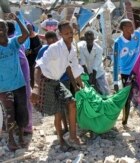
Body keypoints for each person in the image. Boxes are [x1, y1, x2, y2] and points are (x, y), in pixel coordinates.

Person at [31, 20, 84, 151]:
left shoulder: (72, 48)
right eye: (66, 33)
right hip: (46, 80)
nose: (70, 35)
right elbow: (38, 66)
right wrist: (36, 87)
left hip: (57, 80)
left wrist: (80, 85)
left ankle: (72, 136)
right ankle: (61, 140)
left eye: (71, 32)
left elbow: (71, 68)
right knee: (58, 112)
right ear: (60, 34)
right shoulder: (54, 48)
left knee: (72, 103)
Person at [0, 13, 29, 151]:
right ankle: (11, 139)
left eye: (2, 26)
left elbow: (26, 33)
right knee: (9, 113)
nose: (0, 29)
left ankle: (21, 136)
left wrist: (16, 19)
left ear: (7, 29)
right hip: (4, 87)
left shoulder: (13, 43)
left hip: (19, 84)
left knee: (21, 112)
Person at [113, 19, 140, 125]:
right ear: (123, 28)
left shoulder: (136, 36)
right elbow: (115, 63)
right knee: (127, 98)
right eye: (130, 26)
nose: (133, 28)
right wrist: (115, 82)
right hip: (126, 74)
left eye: (132, 25)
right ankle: (124, 121)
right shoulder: (118, 43)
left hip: (139, 72)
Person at [36, 31, 69, 133]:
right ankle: (63, 129)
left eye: (53, 41)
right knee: (58, 108)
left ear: (57, 39)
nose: (51, 45)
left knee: (67, 104)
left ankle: (67, 127)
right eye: (49, 43)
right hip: (52, 82)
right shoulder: (43, 50)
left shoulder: (63, 48)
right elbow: (38, 66)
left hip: (64, 79)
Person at [6, 20, 33, 135]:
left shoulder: (11, 42)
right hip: (18, 76)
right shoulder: (12, 40)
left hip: (20, 76)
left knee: (23, 101)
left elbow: (21, 59)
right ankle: (23, 126)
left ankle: (26, 127)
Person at [78, 30, 110, 95]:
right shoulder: (82, 48)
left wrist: (93, 78)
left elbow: (96, 65)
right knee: (94, 94)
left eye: (91, 38)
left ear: (93, 38)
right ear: (85, 39)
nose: (89, 40)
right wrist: (88, 76)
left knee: (104, 92)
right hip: (88, 73)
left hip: (98, 73)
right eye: (88, 39)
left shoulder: (99, 49)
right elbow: (83, 63)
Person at [25, 22, 42, 88]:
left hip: (37, 59)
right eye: (28, 28)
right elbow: (25, 52)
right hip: (29, 61)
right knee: (31, 76)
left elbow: (40, 45)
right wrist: (33, 50)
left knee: (37, 76)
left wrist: (36, 50)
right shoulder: (24, 38)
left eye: (30, 28)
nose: (30, 29)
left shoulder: (36, 36)